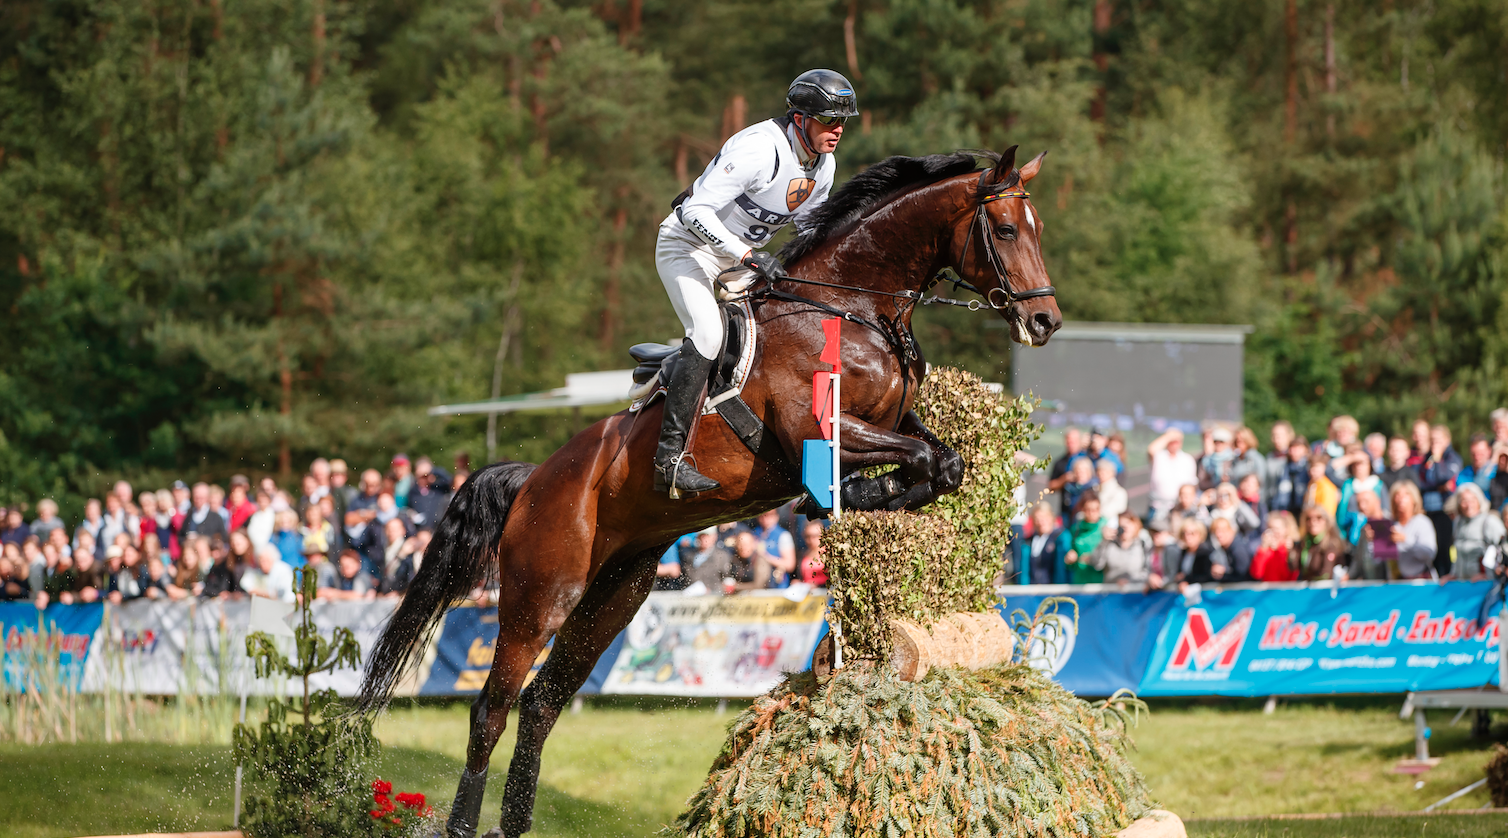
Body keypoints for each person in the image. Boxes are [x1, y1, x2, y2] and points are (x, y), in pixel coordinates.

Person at [654, 69, 855, 496]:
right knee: (708, 334)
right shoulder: (759, 149)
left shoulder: (825, 166)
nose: (836, 130)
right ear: (800, 118)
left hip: (742, 263)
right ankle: (668, 460)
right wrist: (746, 254)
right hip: (688, 248)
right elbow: (695, 210)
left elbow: (806, 231)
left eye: (842, 122)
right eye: (827, 120)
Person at [1418, 424, 1462, 576]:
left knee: (1444, 549)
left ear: (1447, 440)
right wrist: (1439, 486)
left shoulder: (1452, 458)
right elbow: (1421, 482)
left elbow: (1443, 477)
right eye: (1432, 440)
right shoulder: (1425, 459)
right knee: (1432, 550)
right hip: (1428, 510)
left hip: (1445, 511)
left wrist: (1437, 460)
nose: (1434, 444)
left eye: (1437, 440)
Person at [1447, 483, 1503, 581]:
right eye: (1464, 501)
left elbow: (1504, 549)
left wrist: (1489, 574)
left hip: (1487, 584)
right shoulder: (1458, 523)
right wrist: (1453, 574)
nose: (1469, 505)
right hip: (1463, 584)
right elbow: (1457, 553)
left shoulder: (1490, 521)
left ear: (1479, 500)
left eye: (1472, 500)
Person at [1089, 511, 1159, 589]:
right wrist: (1103, 541)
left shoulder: (1143, 545)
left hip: (1136, 594)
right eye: (1121, 525)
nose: (1125, 528)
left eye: (1128, 523)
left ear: (1135, 525)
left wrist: (1131, 581)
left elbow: (1147, 571)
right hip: (1110, 594)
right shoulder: (1109, 545)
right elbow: (1097, 564)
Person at [1335, 445, 1387, 543]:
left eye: (1362, 463)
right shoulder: (1347, 485)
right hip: (1348, 534)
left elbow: (1386, 511)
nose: (1359, 467)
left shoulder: (1378, 485)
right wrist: (1351, 457)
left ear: (1370, 465)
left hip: (1372, 534)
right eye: (1355, 464)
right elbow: (1329, 471)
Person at [1389, 481, 1437, 580]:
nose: (1401, 499)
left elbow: (1429, 553)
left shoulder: (1422, 522)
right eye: (1397, 495)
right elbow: (1381, 558)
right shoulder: (1393, 526)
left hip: (1421, 579)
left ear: (1414, 499)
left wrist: (1406, 541)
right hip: (1399, 581)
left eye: (1406, 495)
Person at [1146, 429, 1198, 520]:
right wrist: (1168, 436)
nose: (1174, 444)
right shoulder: (1159, 456)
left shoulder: (1187, 459)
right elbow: (1151, 450)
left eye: (1176, 441)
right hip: (1158, 506)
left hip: (1179, 507)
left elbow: (1192, 485)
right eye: (1172, 441)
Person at [1018, 502, 1067, 585]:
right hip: (1033, 591)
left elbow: (1061, 569)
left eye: (1044, 518)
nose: (1041, 522)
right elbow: (1024, 570)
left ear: (1051, 517)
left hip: (1052, 590)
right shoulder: (1028, 541)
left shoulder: (1060, 538)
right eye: (1037, 519)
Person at [1295, 505, 1347, 581]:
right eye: (1308, 519)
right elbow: (1293, 568)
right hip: (1306, 590)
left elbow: (1326, 574)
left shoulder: (1332, 544)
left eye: (1318, 518)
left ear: (1326, 521)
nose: (1313, 522)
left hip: (1324, 590)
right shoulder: (1305, 544)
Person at [1063, 492, 1104, 585]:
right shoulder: (1076, 529)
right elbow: (1072, 556)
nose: (1091, 513)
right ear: (1082, 510)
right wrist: (1070, 559)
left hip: (1100, 583)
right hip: (1080, 580)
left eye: (1095, 510)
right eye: (1088, 510)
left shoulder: (1106, 528)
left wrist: (1091, 558)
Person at [1166, 518, 1221, 586]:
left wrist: (1186, 580)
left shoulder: (1206, 552)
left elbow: (1205, 575)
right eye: (1184, 533)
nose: (1187, 537)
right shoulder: (1183, 552)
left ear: (1200, 534)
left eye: (1192, 533)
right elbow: (1179, 574)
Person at [752, 509, 797, 588]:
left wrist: (765, 557)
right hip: (757, 585)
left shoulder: (783, 535)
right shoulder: (753, 533)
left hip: (778, 587)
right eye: (762, 515)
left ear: (776, 516)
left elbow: (790, 564)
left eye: (769, 515)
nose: (765, 518)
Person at [1250, 511, 1299, 583]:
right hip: (1267, 591)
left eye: (1277, 529)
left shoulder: (1289, 548)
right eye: (1270, 528)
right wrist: (1263, 548)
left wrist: (1288, 553)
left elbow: (1290, 576)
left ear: (1285, 529)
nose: (1274, 532)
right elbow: (1256, 574)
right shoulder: (1264, 550)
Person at [681, 528, 735, 592]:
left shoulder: (722, 556)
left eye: (707, 536)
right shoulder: (689, 556)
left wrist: (712, 590)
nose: (704, 538)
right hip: (691, 595)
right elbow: (686, 580)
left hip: (714, 596)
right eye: (701, 536)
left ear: (714, 537)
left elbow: (727, 581)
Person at [407, 457, 453, 531]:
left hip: (437, 531)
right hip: (420, 534)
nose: (424, 478)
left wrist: (433, 470)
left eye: (426, 475)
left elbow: (451, 481)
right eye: (421, 476)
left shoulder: (438, 489)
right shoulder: (413, 492)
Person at [1271, 437, 1311, 516]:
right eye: (1291, 448)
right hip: (1285, 509)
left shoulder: (1309, 468)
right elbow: (1277, 491)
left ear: (1305, 450)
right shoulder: (1284, 469)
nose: (1293, 452)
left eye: (1297, 448)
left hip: (1303, 508)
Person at [1046, 428, 1087, 505]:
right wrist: (1064, 479)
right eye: (1069, 442)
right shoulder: (1060, 462)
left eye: (1074, 442)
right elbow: (1050, 486)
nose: (1071, 445)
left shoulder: (1087, 458)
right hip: (1066, 508)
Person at [1208, 516, 1253, 581]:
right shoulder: (1221, 550)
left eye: (1223, 531)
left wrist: (1223, 574)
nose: (1218, 534)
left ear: (1231, 530)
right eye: (1215, 531)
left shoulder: (1239, 550)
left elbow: (1241, 576)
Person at [1093, 458, 1127, 536]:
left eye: (1104, 471)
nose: (1100, 474)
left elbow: (1107, 513)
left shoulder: (1119, 492)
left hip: (1109, 532)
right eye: (1098, 471)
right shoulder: (1094, 490)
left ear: (1112, 473)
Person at [1264, 421, 1296, 505]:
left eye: (1279, 436)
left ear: (1289, 436)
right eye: (1274, 436)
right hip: (1272, 503)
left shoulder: (1296, 458)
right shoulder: (1269, 457)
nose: (1276, 439)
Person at [1301, 453, 1340, 519]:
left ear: (1324, 468)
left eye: (1316, 467)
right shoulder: (1311, 484)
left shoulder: (1327, 487)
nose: (1313, 470)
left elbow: (1328, 513)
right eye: (1311, 467)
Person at [797, 520, 829, 586]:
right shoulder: (802, 554)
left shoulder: (829, 554)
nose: (811, 540)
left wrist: (817, 585)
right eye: (808, 536)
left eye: (815, 536)